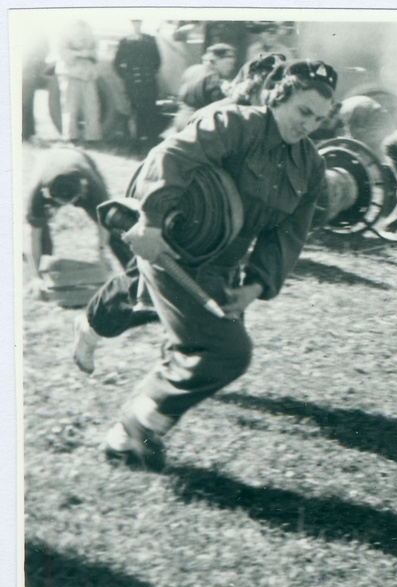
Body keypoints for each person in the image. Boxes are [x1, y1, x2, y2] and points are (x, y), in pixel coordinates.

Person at [94, 59, 336, 470]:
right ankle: (140, 421)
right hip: (173, 248)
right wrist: (150, 221)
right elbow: (171, 155)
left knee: (193, 348)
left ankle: (122, 441)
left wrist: (257, 285)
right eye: (303, 112)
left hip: (225, 265)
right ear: (278, 98)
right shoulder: (233, 124)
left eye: (319, 118)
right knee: (228, 351)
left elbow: (290, 233)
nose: (309, 125)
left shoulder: (310, 166)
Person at [25, 147, 111, 296]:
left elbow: (104, 223)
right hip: (46, 161)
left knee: (113, 223)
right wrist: (36, 277)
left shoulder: (93, 186)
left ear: (82, 191)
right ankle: (43, 272)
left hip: (78, 157)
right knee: (40, 229)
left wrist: (102, 254)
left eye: (70, 201)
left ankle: (133, 273)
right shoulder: (37, 192)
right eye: (60, 202)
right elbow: (33, 236)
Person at [114, 20, 163, 150]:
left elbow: (157, 61)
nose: (137, 25)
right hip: (133, 84)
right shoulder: (125, 41)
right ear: (131, 24)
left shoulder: (150, 40)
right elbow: (117, 63)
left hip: (148, 82)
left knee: (150, 111)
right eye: (134, 23)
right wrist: (127, 77)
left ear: (141, 24)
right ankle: (135, 142)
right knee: (135, 112)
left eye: (139, 23)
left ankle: (152, 140)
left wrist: (150, 74)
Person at [52, 18, 102, 144]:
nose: (81, 30)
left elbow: (97, 53)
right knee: (70, 107)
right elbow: (62, 52)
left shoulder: (92, 37)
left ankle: (93, 136)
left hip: (88, 74)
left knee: (92, 107)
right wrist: (80, 53)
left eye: (83, 27)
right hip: (71, 74)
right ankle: (70, 137)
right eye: (78, 27)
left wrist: (89, 54)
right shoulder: (65, 35)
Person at [171, 43, 236, 131]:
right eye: (229, 63)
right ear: (216, 60)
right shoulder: (212, 76)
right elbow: (218, 104)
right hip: (198, 124)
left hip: (180, 119)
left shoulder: (192, 69)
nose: (231, 67)